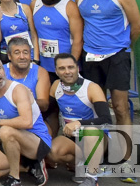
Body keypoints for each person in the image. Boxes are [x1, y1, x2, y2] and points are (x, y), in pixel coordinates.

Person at [74, 0, 140, 130]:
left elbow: (138, 26)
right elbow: (82, 24)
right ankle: (101, 152)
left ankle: (127, 156)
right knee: (96, 109)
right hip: (90, 56)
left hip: (117, 56)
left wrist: (124, 48)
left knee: (120, 108)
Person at [0, 53, 52, 186]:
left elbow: (27, 122)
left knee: (5, 131)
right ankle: (28, 167)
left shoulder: (17, 90)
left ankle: (15, 178)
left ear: (3, 69)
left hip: (36, 142)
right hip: (12, 143)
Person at [47, 53, 110, 186]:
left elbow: (106, 120)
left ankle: (91, 178)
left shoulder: (91, 88)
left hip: (96, 138)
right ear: (56, 71)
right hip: (73, 139)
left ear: (77, 68)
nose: (67, 72)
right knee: (52, 152)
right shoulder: (56, 86)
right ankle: (81, 165)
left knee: (91, 131)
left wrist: (79, 123)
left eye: (71, 67)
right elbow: (47, 113)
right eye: (62, 68)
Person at [32, 0, 83, 80]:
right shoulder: (34, 4)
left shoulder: (69, 6)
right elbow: (34, 34)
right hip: (44, 67)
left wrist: (71, 66)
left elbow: (78, 39)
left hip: (66, 68)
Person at [5, 37, 52, 113]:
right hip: (5, 117)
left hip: (32, 118)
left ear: (30, 55)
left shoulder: (40, 72)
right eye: (17, 53)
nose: (22, 57)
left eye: (26, 52)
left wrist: (27, 99)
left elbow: (44, 106)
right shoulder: (0, 71)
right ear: (9, 56)